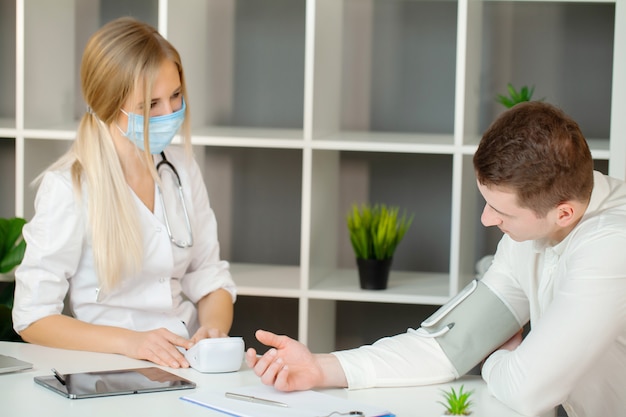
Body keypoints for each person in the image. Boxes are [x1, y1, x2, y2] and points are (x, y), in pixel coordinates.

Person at [245, 101, 626, 416]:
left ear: (564, 213)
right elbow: (449, 344)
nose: (486, 219)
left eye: (501, 212)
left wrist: (497, 356)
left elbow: (528, 391)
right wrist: (321, 367)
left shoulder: (611, 245)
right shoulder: (535, 229)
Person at [12, 17, 236, 369]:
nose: (170, 113)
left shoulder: (182, 170)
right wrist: (130, 343)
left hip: (186, 363)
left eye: (176, 96)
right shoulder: (69, 187)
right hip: (108, 369)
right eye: (149, 106)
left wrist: (212, 329)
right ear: (107, 106)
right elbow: (33, 316)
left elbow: (208, 276)